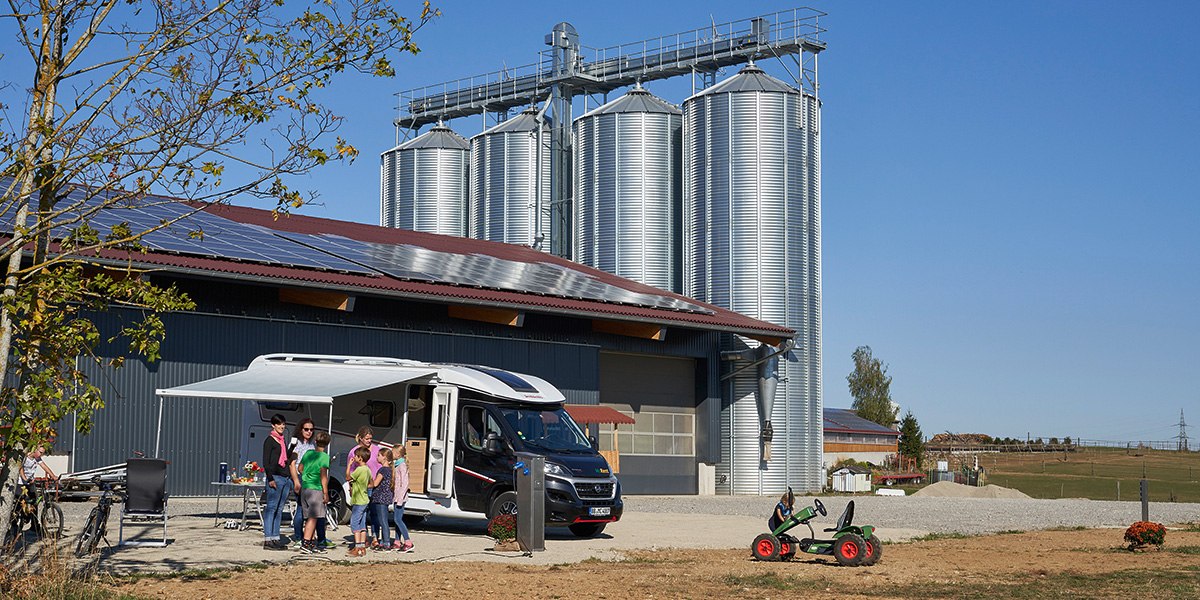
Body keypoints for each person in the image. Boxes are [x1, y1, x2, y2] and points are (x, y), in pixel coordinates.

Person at [289, 418, 333, 549]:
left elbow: (300, 468)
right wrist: (326, 493)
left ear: (315, 440)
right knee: (313, 516)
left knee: (308, 515)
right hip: (315, 487)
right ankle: (305, 541)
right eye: (306, 429)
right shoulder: (324, 457)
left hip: (306, 486)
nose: (309, 431)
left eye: (311, 430)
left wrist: (305, 475)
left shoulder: (309, 451)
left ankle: (312, 540)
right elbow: (323, 476)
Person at [262, 414, 294, 550]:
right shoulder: (270, 440)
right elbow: (266, 461)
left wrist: (292, 448)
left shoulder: (282, 441)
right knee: (271, 508)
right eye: (279, 424)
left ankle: (275, 538)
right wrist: (270, 478)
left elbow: (285, 458)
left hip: (285, 477)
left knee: (279, 509)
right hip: (275, 477)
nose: (282, 426)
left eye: (283, 424)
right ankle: (268, 539)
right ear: (273, 425)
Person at [345, 426, 380, 537]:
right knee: (361, 513)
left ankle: (375, 537)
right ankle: (362, 539)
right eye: (367, 438)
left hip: (374, 484)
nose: (369, 441)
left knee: (374, 512)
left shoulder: (376, 450)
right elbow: (351, 471)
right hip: (360, 487)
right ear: (360, 438)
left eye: (370, 438)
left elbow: (380, 466)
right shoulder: (354, 452)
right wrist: (350, 487)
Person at [347, 445, 372, 557]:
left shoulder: (359, 470)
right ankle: (362, 547)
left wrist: (349, 465)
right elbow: (371, 483)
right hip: (365, 499)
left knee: (355, 523)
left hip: (358, 500)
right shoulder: (367, 469)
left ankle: (357, 547)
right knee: (362, 524)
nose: (354, 458)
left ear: (360, 458)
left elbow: (348, 477)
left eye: (356, 457)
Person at [368, 448, 394, 551]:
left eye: (379, 455)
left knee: (382, 520)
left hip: (380, 497)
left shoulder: (383, 470)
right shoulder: (390, 470)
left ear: (384, 457)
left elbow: (375, 483)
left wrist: (368, 478)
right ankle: (384, 541)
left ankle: (386, 543)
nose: (377, 457)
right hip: (386, 497)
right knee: (383, 520)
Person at [390, 444, 414, 552]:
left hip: (400, 497)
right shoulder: (397, 465)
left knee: (398, 519)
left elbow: (405, 483)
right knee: (396, 519)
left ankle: (408, 541)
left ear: (397, 454)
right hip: (397, 496)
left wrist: (400, 497)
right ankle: (397, 541)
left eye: (393, 453)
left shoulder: (402, 466)